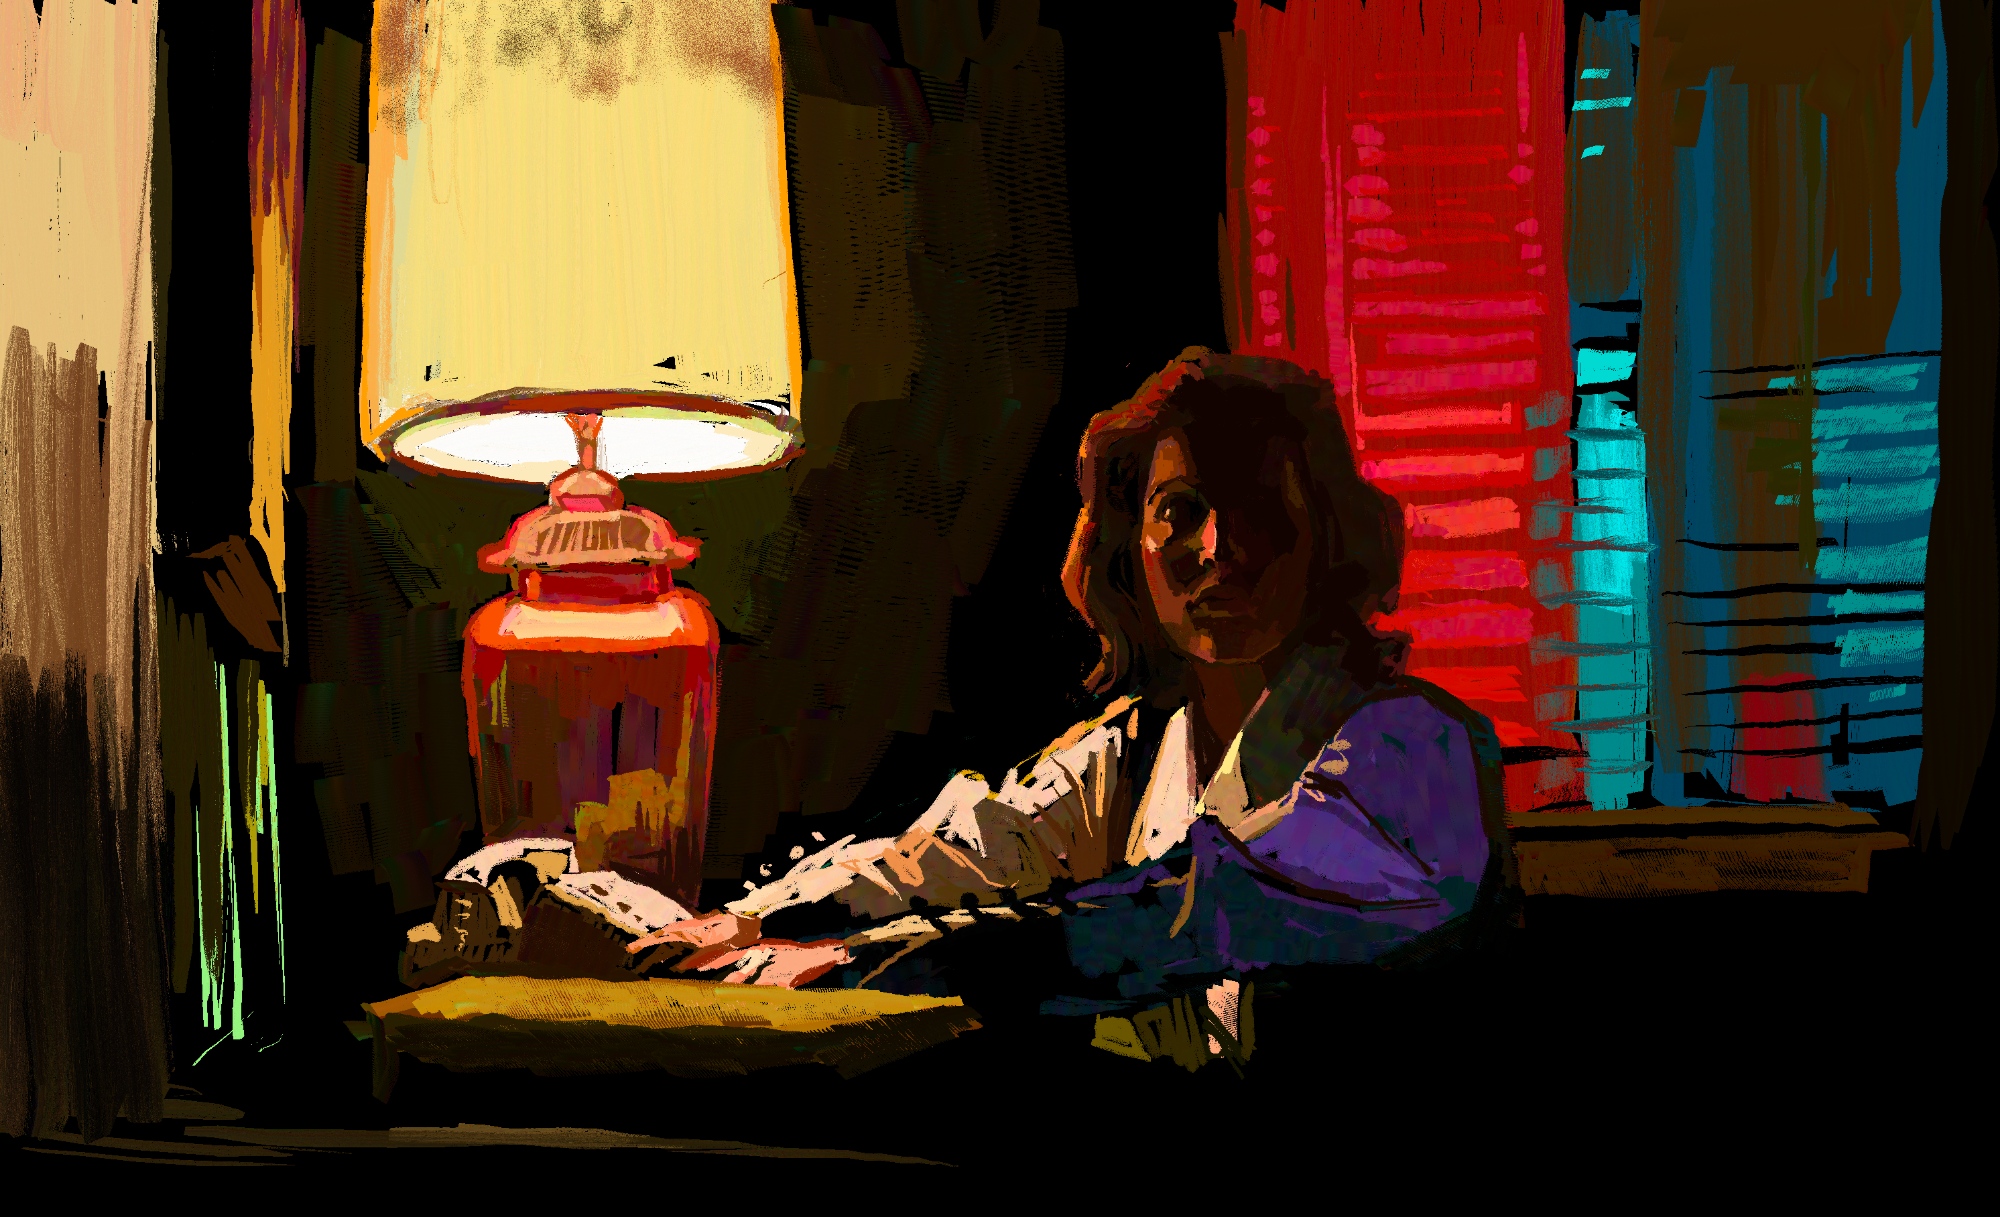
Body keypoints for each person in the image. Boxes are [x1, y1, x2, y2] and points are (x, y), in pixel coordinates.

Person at [633, 349, 1517, 1008]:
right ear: (1130, 550)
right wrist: (761, 919)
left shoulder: (1416, 749)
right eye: (1181, 512)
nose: (1219, 549)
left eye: (1259, 509)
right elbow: (963, 852)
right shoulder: (1143, 749)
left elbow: (1192, 909)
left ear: (1325, 534)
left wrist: (863, 962)